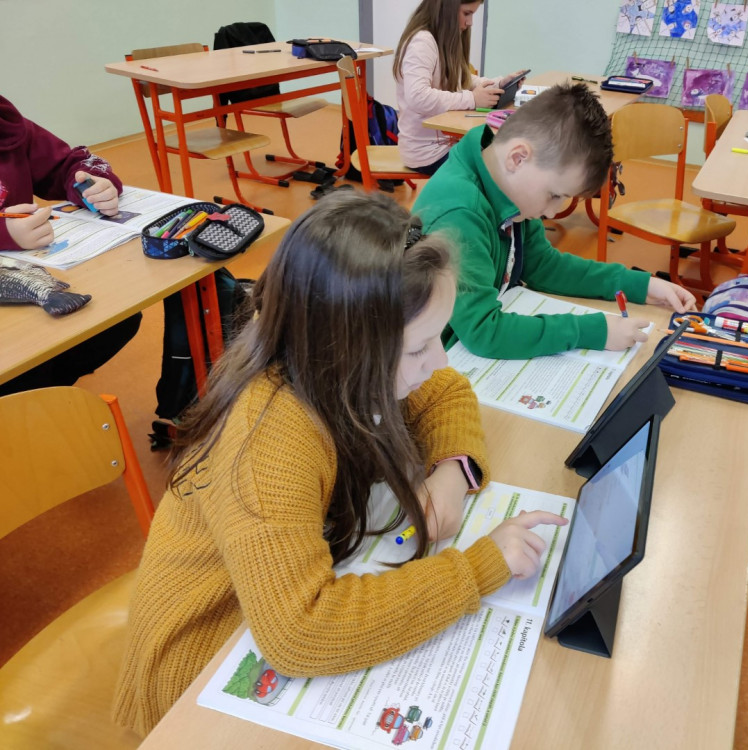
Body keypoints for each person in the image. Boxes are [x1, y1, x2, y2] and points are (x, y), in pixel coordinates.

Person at [112, 191, 566, 736]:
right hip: (202, 670)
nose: (439, 360)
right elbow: (301, 631)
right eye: (419, 348)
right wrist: (477, 569)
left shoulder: (333, 368)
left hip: (270, 615)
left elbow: (447, 392)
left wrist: (450, 474)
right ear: (347, 347)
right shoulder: (267, 436)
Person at [412, 83, 697, 360]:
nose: (552, 213)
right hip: (437, 363)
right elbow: (484, 332)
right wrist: (592, 331)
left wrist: (639, 285)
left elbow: (543, 266)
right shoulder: (459, 213)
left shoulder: (508, 189)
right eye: (554, 195)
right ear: (518, 158)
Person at [0, 94, 140, 396]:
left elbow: (67, 164)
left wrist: (93, 183)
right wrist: (4, 232)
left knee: (117, 320)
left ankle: (46, 398)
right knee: (22, 369)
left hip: (28, 279)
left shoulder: (7, 124)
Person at [394, 0, 526, 175]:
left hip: (447, 143)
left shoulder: (441, 39)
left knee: (508, 154)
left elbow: (461, 78)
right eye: (466, 13)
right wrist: (472, 99)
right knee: (503, 168)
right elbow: (418, 96)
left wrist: (498, 84)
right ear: (447, 8)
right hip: (427, 153)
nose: (470, 22)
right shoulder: (422, 43)